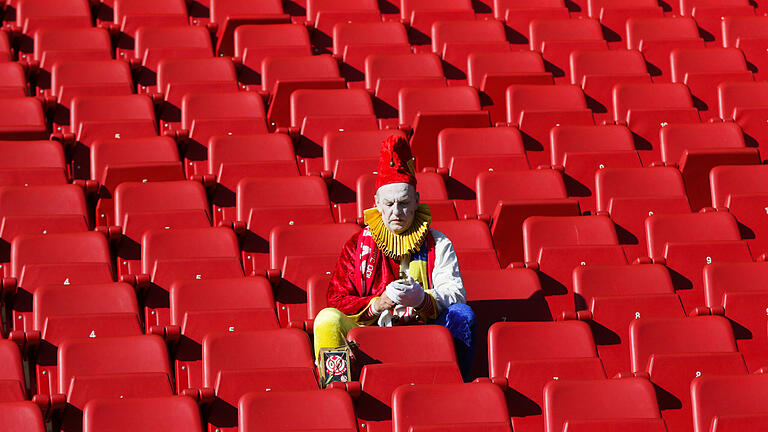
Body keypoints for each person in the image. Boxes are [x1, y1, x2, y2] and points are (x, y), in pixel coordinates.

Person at [313, 134, 476, 379]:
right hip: (372, 328)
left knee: (462, 315)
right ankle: (337, 390)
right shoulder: (357, 244)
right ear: (377, 203)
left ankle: (456, 382)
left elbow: (456, 293)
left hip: (426, 329)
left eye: (404, 203)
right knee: (327, 320)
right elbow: (336, 298)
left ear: (417, 202)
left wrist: (422, 298)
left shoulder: (438, 242)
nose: (396, 212)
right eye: (389, 204)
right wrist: (378, 303)